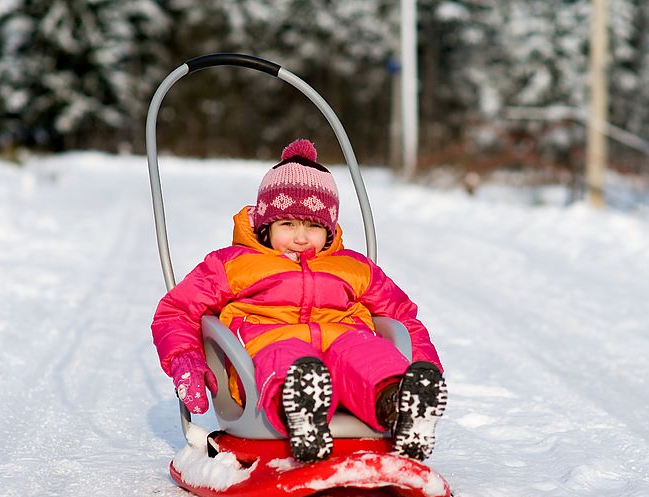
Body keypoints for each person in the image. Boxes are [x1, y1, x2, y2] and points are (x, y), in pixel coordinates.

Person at [151, 139, 446, 463]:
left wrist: (424, 363)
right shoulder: (234, 263)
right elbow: (177, 311)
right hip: (266, 353)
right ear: (266, 225)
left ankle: (402, 403)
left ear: (329, 228)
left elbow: (401, 315)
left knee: (368, 352)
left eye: (314, 226)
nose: (301, 237)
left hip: (344, 345)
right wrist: (185, 359)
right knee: (287, 358)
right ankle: (301, 410)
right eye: (288, 224)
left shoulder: (353, 266)